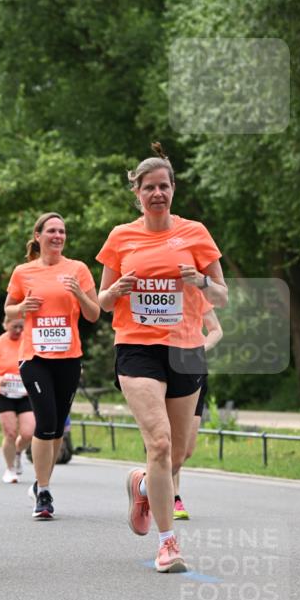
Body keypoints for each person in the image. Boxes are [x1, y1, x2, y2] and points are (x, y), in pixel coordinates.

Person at [97, 143, 227, 572]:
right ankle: (168, 544)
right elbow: (101, 301)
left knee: (179, 453)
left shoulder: (196, 233)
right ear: (137, 193)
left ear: (173, 190)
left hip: (186, 348)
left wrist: (201, 282)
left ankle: (141, 485)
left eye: (164, 186)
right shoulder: (121, 237)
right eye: (149, 187)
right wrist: (116, 291)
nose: (157, 193)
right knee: (159, 442)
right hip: (137, 347)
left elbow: (222, 297)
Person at [4, 212, 99, 519]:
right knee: (45, 422)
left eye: (62, 231)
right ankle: (44, 492)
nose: (58, 236)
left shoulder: (77, 269)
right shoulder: (23, 272)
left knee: (57, 427)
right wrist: (22, 307)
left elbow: (94, 314)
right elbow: (8, 312)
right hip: (35, 358)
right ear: (38, 236)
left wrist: (79, 293)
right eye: (52, 231)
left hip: (68, 358)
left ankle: (40, 483)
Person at [173, 301, 223, 520]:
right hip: (162, 369)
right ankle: (173, 497)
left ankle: (148, 482)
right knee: (166, 441)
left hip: (194, 370)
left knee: (186, 449)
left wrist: (200, 349)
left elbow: (216, 329)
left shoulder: (195, 293)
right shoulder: (156, 291)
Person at [0, 317, 35, 483]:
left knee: (28, 433)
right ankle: (10, 468)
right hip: (3, 392)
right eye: (14, 327)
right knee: (10, 432)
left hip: (25, 392)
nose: (18, 330)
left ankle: (17, 452)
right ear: (5, 325)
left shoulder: (28, 340)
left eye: (21, 327)